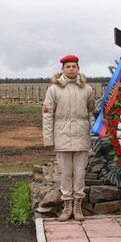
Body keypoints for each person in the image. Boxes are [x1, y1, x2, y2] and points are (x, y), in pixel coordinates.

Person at [42, 55, 96, 222]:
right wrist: (48, 139)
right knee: (66, 173)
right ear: (63, 69)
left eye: (74, 66)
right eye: (68, 66)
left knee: (79, 173)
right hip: (62, 135)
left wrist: (93, 132)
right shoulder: (53, 90)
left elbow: (91, 113)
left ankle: (78, 206)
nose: (71, 69)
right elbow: (47, 115)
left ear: (78, 68)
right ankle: (67, 206)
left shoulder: (87, 89)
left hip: (81, 136)